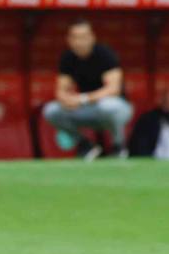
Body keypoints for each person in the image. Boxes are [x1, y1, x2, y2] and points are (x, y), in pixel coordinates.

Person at [41, 19, 133, 160]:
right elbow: (61, 91)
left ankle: (118, 145)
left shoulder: (104, 54)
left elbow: (113, 89)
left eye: (84, 37)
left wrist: (83, 99)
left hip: (114, 108)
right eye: (76, 37)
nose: (80, 41)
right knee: (51, 110)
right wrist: (67, 100)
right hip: (87, 109)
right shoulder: (68, 58)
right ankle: (85, 145)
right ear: (69, 40)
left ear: (92, 37)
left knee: (109, 106)